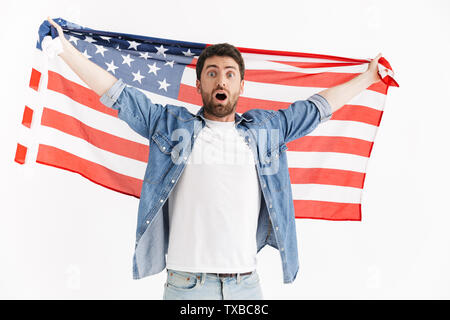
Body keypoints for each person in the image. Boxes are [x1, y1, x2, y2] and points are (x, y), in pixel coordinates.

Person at [47, 18, 382, 300]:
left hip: (245, 286)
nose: (221, 80)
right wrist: (65, 50)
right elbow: (120, 96)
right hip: (187, 286)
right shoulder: (170, 125)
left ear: (241, 85)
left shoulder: (267, 131)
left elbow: (315, 108)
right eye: (212, 73)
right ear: (199, 84)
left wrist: (368, 77)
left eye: (229, 74)